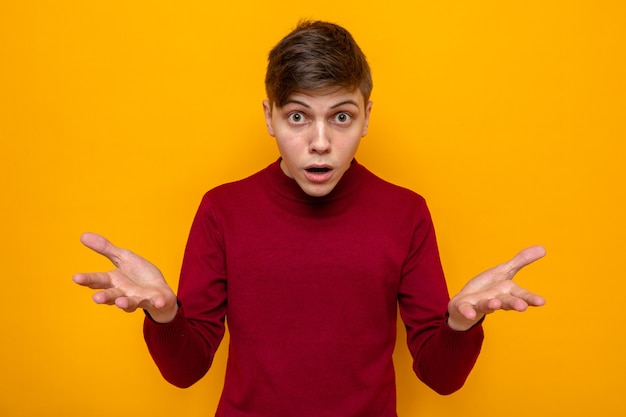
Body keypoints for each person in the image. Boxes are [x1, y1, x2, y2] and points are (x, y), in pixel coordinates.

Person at [73, 20, 546, 417]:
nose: (320, 141)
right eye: (298, 117)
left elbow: (440, 379)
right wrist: (165, 314)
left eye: (341, 117)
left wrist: (462, 324)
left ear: (366, 118)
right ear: (269, 117)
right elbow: (186, 371)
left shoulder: (406, 213)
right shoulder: (223, 210)